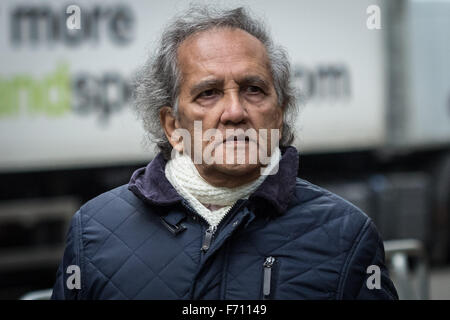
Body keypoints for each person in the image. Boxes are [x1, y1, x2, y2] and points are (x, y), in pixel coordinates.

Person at [51, 4, 398, 300]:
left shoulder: (346, 234)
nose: (234, 112)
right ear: (173, 126)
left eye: (253, 89)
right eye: (209, 93)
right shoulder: (95, 230)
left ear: (279, 113)